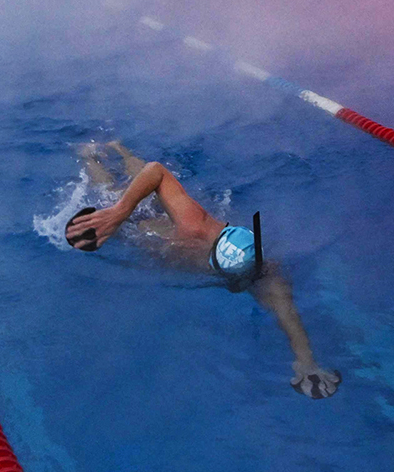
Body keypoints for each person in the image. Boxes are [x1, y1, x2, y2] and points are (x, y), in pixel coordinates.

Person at [64, 140, 342, 399]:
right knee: (116, 200)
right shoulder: (191, 230)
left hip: (179, 238)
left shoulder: (261, 269)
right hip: (162, 234)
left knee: (147, 207)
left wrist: (307, 363)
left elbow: (289, 318)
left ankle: (119, 150)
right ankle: (92, 155)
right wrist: (119, 212)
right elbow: (155, 171)